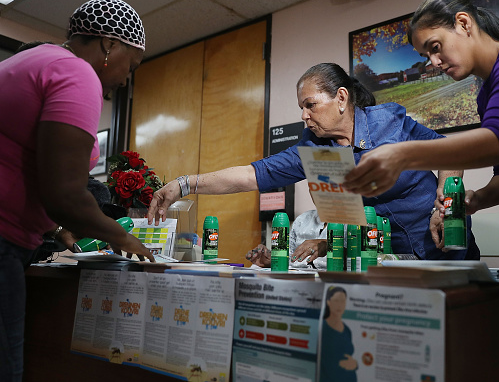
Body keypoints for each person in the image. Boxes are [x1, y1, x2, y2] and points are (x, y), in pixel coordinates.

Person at [343, 0, 499, 381]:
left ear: (464, 23)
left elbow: (497, 139)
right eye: (426, 55)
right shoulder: (486, 91)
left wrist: (402, 155)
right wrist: (473, 201)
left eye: (435, 48)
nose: (433, 62)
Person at [148, 62, 479, 261]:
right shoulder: (316, 151)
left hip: (444, 246)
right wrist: (185, 184)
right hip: (388, 260)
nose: (304, 116)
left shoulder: (389, 122)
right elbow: (252, 175)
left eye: (310, 105)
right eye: (300, 108)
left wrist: (444, 209)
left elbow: (447, 153)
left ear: (341, 98)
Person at [0, 0, 155, 381]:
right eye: (130, 66)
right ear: (109, 44)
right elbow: (65, 193)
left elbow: (35, 167)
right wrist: (123, 237)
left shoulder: (33, 60)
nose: (125, 79)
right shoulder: (77, 73)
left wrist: (54, 225)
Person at [246, 209, 328, 269]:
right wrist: (273, 261)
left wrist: (330, 245)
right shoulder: (303, 219)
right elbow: (290, 259)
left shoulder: (340, 223)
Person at [320, 286, 357, 382]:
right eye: (336, 301)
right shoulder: (322, 328)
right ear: (328, 302)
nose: (339, 305)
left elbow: (348, 357)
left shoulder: (347, 330)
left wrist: (355, 365)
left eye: (342, 301)